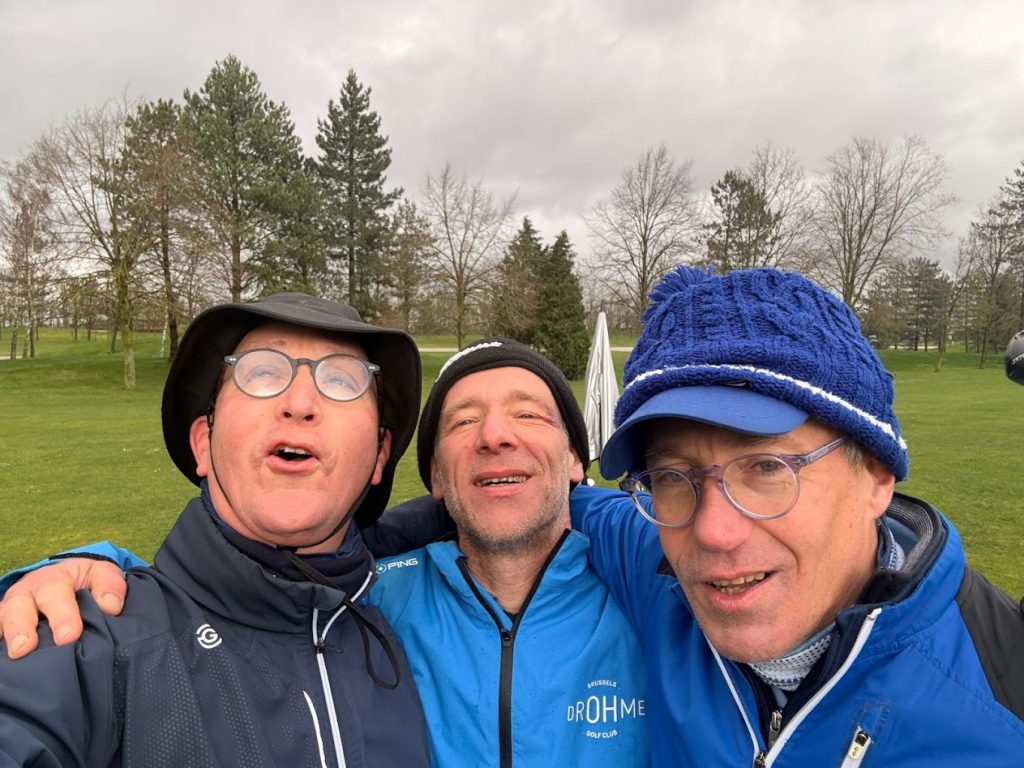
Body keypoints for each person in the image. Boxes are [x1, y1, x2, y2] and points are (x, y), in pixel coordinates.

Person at [0, 339, 649, 767]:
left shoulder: (656, 603)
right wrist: (99, 568)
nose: (496, 435)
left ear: (576, 460)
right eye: (462, 421)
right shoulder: (366, 601)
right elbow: (249, 582)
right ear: (434, 477)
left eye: (530, 414)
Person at [570, 265, 1024, 766]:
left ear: (877, 476)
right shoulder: (656, 571)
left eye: (767, 467)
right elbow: (566, 503)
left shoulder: (1003, 705)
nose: (714, 532)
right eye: (673, 477)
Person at [0, 293, 431, 766]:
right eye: (262, 372)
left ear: (379, 455)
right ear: (203, 443)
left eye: (341, 379)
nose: (300, 403)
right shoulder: (91, 644)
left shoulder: (406, 633)